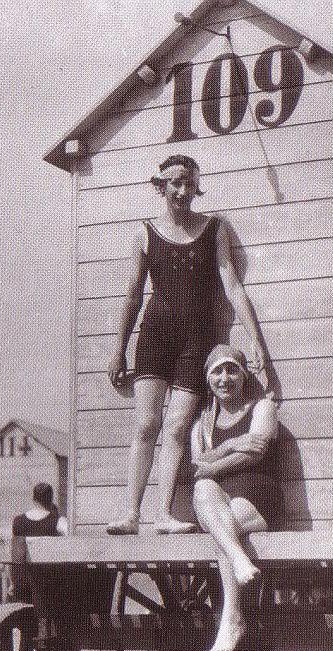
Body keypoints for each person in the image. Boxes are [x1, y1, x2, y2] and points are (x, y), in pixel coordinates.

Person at [106, 154, 267, 535]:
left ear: (197, 186)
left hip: (196, 340)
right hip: (155, 335)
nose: (181, 191)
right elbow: (132, 294)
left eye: (188, 183)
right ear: (161, 187)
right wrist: (118, 348)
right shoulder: (145, 232)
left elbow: (232, 286)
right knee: (147, 423)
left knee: (177, 425)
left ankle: (163, 513)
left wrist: (256, 341)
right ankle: (132, 514)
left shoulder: (214, 229)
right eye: (174, 183)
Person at [190, 344, 281, 651]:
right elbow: (196, 465)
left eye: (232, 370)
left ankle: (232, 617)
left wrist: (215, 461)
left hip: (258, 495)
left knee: (224, 526)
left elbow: (256, 451)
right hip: (217, 499)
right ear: (208, 378)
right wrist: (231, 443)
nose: (224, 378)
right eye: (217, 371)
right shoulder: (202, 422)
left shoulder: (263, 408)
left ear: (244, 376)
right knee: (203, 487)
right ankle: (240, 564)